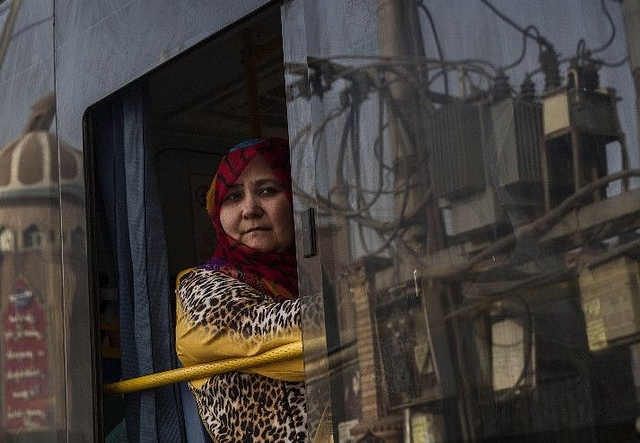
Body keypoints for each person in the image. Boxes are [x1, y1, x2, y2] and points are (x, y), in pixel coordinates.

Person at [175, 138, 306, 442]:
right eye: (233, 197)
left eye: (268, 191)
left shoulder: (315, 276)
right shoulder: (200, 288)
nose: (250, 209)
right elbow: (276, 330)